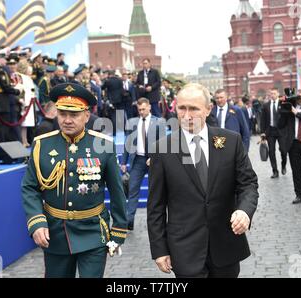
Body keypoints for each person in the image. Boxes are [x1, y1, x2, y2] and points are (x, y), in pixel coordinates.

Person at [147, 83, 258, 278]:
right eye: (182, 108)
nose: (187, 115)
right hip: (185, 250)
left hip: (225, 247)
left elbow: (248, 184)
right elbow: (156, 205)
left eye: (194, 109)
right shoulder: (162, 149)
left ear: (208, 110)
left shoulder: (231, 142)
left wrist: (244, 211)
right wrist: (159, 249)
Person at [22, 82, 128, 278]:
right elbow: (30, 188)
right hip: (55, 233)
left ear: (86, 116)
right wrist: (37, 222)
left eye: (74, 115)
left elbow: (117, 191)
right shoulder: (41, 145)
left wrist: (119, 229)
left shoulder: (103, 145)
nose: (67, 120)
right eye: (62, 114)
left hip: (93, 232)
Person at [121, 98, 165, 230]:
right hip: (138, 161)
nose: (141, 112)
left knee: (156, 191)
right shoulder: (132, 122)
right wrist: (123, 161)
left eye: (143, 109)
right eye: (139, 109)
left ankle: (156, 222)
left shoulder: (159, 122)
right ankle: (129, 221)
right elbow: (127, 143)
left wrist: (155, 157)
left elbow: (163, 143)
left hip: (154, 161)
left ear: (150, 107)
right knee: (133, 190)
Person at [0, 49, 22, 159]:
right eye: (3, 58)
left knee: (0, 127)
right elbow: (5, 87)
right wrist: (16, 91)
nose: (4, 61)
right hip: (1, 101)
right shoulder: (0, 71)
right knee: (2, 128)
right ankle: (1, 152)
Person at [260, 88, 288, 178]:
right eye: (271, 93)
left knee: (283, 150)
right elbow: (262, 119)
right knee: (271, 151)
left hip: (281, 130)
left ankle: (283, 165)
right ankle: (275, 171)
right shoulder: (265, 105)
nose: (273, 95)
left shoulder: (283, 104)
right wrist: (262, 132)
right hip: (270, 131)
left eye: (274, 93)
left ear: (278, 93)